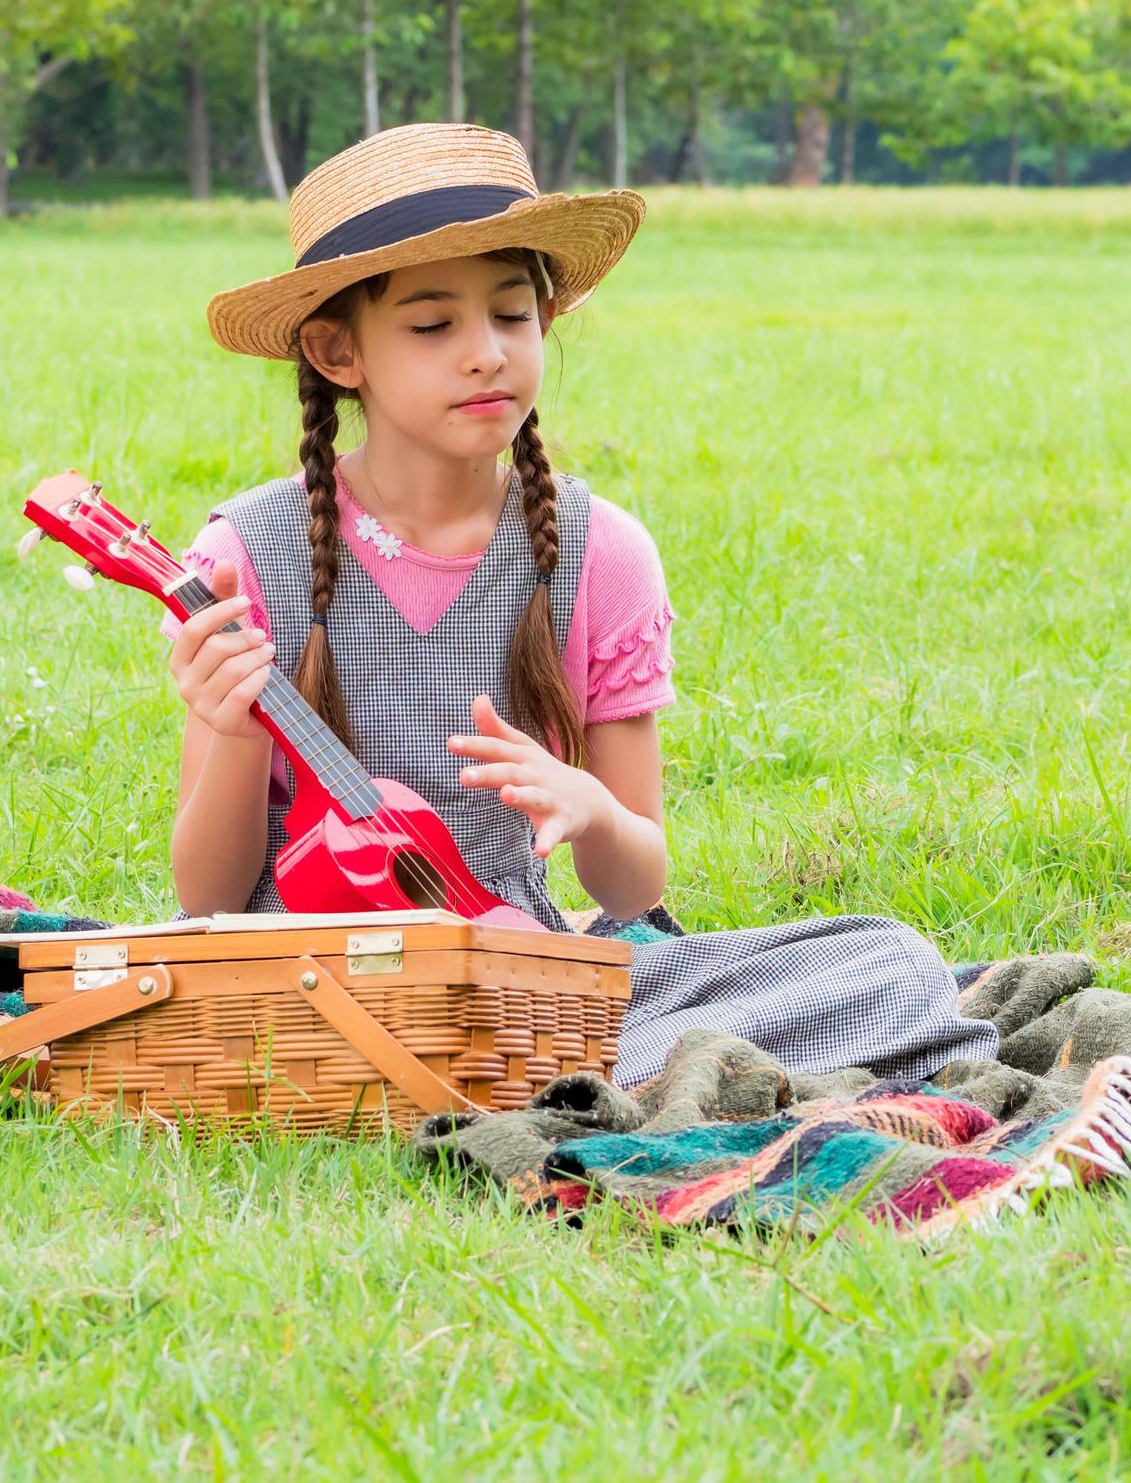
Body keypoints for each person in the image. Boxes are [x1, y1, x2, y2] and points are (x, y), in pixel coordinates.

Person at [159, 123, 996, 1087]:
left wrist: (592, 811)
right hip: (306, 986)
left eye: (512, 317)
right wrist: (232, 729)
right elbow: (204, 897)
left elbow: (634, 887)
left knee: (893, 962)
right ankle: (607, 1076)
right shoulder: (245, 557)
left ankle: (574, 1069)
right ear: (337, 351)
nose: (485, 355)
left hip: (523, 982)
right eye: (432, 326)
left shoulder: (601, 552)